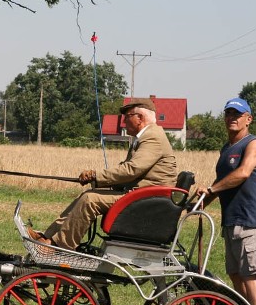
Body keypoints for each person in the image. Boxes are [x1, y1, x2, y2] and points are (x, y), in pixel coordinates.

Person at [28, 98, 177, 250]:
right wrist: (98, 179)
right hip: (142, 196)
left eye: (127, 116)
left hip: (146, 201)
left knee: (90, 199)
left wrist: (96, 175)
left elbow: (132, 169)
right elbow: (131, 171)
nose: (123, 122)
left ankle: (58, 247)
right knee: (88, 194)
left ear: (140, 118)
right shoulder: (147, 136)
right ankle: (48, 237)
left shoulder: (153, 137)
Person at [197, 97, 256, 305]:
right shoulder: (227, 148)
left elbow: (242, 173)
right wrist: (198, 205)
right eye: (228, 114)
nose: (232, 118)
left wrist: (210, 189)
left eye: (237, 115)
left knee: (250, 276)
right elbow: (222, 182)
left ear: (248, 119)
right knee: (236, 274)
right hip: (231, 219)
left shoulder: (254, 144)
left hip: (250, 220)